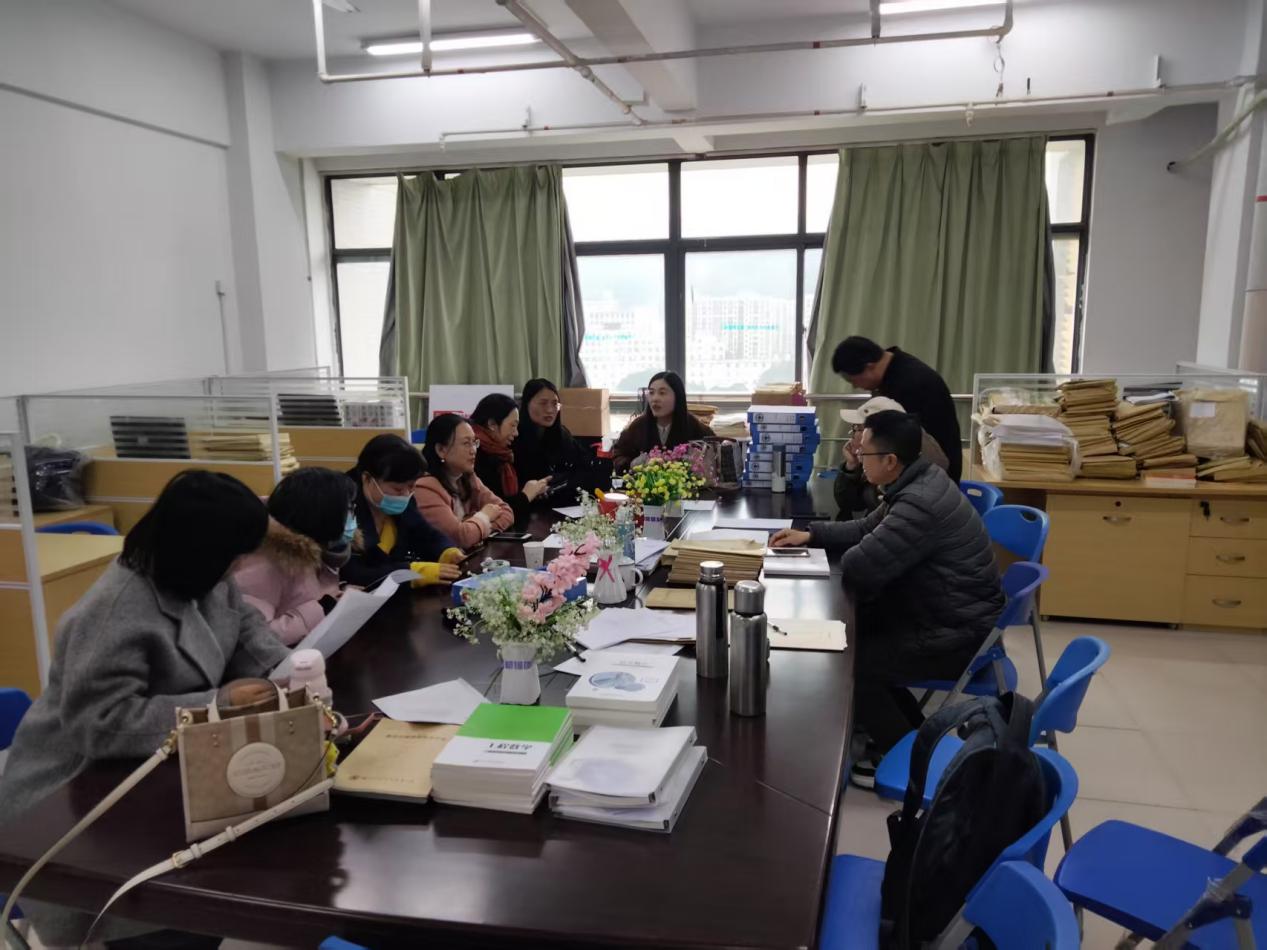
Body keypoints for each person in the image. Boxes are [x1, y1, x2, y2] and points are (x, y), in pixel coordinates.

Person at [0, 471, 293, 946]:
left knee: (237, 859)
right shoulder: (114, 612)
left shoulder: (204, 576)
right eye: (235, 555)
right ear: (200, 548)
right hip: (73, 792)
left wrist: (291, 673)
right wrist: (218, 703)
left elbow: (245, 630)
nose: (240, 566)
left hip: (158, 766)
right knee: (178, 905)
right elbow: (100, 724)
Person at [771, 411, 1003, 787]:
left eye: (864, 453)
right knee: (853, 636)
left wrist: (846, 552)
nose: (858, 458)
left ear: (890, 460)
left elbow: (861, 566)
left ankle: (905, 759)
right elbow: (868, 528)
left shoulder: (919, 503)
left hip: (957, 633)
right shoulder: (918, 479)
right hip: (943, 612)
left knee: (852, 662)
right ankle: (909, 733)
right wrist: (812, 535)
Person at [233, 467, 358, 645]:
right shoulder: (266, 562)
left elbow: (304, 597)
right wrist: (322, 608)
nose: (353, 517)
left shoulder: (315, 547)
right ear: (322, 513)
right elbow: (256, 638)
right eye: (348, 510)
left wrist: (336, 598)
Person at [831, 336, 963, 481]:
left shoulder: (909, 385)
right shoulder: (892, 373)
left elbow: (909, 447)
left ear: (869, 366)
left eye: (852, 379)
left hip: (932, 478)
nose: (855, 386)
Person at [345, 433, 463, 588]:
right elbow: (353, 572)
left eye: (411, 487)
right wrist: (410, 573)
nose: (405, 495)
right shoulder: (343, 508)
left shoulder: (404, 498)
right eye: (398, 489)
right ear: (367, 478)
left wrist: (447, 551)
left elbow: (424, 532)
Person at [835, 396, 950, 519]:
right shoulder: (878, 454)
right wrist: (851, 466)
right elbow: (851, 504)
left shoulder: (912, 479)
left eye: (856, 428)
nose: (852, 435)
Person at [416, 413, 515, 548]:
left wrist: (473, 527)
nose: (473, 450)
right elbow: (460, 538)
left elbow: (506, 512)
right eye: (466, 443)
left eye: (474, 442)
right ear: (441, 450)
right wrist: (484, 516)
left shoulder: (467, 477)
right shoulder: (425, 487)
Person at [469, 392, 553, 525]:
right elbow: (494, 509)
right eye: (512, 425)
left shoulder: (501, 454)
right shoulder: (474, 456)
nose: (516, 433)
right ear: (492, 424)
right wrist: (525, 496)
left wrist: (533, 493)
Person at [610, 371, 715, 473]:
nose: (655, 399)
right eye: (651, 393)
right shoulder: (638, 426)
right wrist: (633, 464)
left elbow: (715, 452)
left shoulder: (693, 425)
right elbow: (618, 455)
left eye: (662, 393)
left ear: (677, 396)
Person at [513, 378, 596, 500]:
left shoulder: (562, 434)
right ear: (526, 404)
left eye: (554, 404)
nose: (550, 410)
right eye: (543, 403)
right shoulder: (514, 435)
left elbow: (583, 465)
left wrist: (557, 483)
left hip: (557, 500)